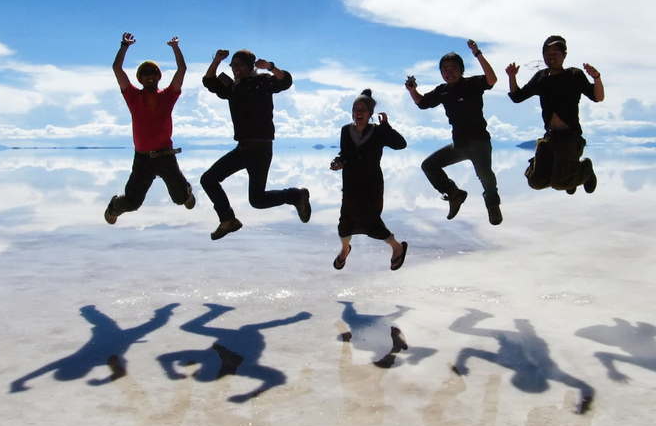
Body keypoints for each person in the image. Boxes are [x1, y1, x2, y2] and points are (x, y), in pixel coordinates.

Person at [200, 48, 311, 240]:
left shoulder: (262, 82)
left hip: (260, 148)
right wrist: (217, 60)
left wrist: (270, 67)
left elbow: (285, 81)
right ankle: (228, 220)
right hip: (242, 148)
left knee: (257, 201)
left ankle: (296, 195)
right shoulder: (232, 87)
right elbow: (208, 81)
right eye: (233, 65)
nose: (235, 69)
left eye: (239, 65)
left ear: (250, 66)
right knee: (208, 179)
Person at [405, 39, 502, 225]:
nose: (449, 72)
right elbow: (422, 103)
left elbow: (492, 80)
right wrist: (412, 90)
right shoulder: (442, 91)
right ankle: (454, 193)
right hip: (459, 145)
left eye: (453, 68)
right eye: (445, 69)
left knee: (486, 176)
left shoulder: (472, 84)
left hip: (480, 143)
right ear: (441, 73)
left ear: (461, 70)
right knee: (429, 166)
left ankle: (493, 205)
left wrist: (477, 53)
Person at [104, 32, 195, 225]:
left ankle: (185, 191)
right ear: (140, 78)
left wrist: (176, 48)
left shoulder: (168, 96)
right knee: (132, 202)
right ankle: (114, 206)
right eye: (145, 74)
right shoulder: (133, 96)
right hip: (143, 159)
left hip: (166, 156)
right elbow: (116, 68)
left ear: (158, 76)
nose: (150, 76)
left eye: (154, 73)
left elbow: (182, 69)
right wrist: (124, 46)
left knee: (180, 199)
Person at [506, 35, 604, 194]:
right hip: (551, 136)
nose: (551, 56)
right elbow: (517, 97)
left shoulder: (574, 75)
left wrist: (596, 78)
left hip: (570, 135)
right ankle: (569, 177)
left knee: (559, 184)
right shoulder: (541, 77)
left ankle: (584, 169)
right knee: (536, 182)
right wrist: (512, 76)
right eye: (547, 53)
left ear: (564, 55)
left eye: (556, 53)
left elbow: (598, 97)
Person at [330, 89, 408, 271]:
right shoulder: (345, 130)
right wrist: (337, 161)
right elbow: (345, 153)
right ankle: (344, 249)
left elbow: (400, 144)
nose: (359, 112)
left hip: (372, 184)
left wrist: (386, 127)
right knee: (345, 222)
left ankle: (397, 247)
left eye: (363, 109)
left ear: (370, 113)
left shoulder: (379, 132)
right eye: (356, 108)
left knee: (371, 221)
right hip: (350, 183)